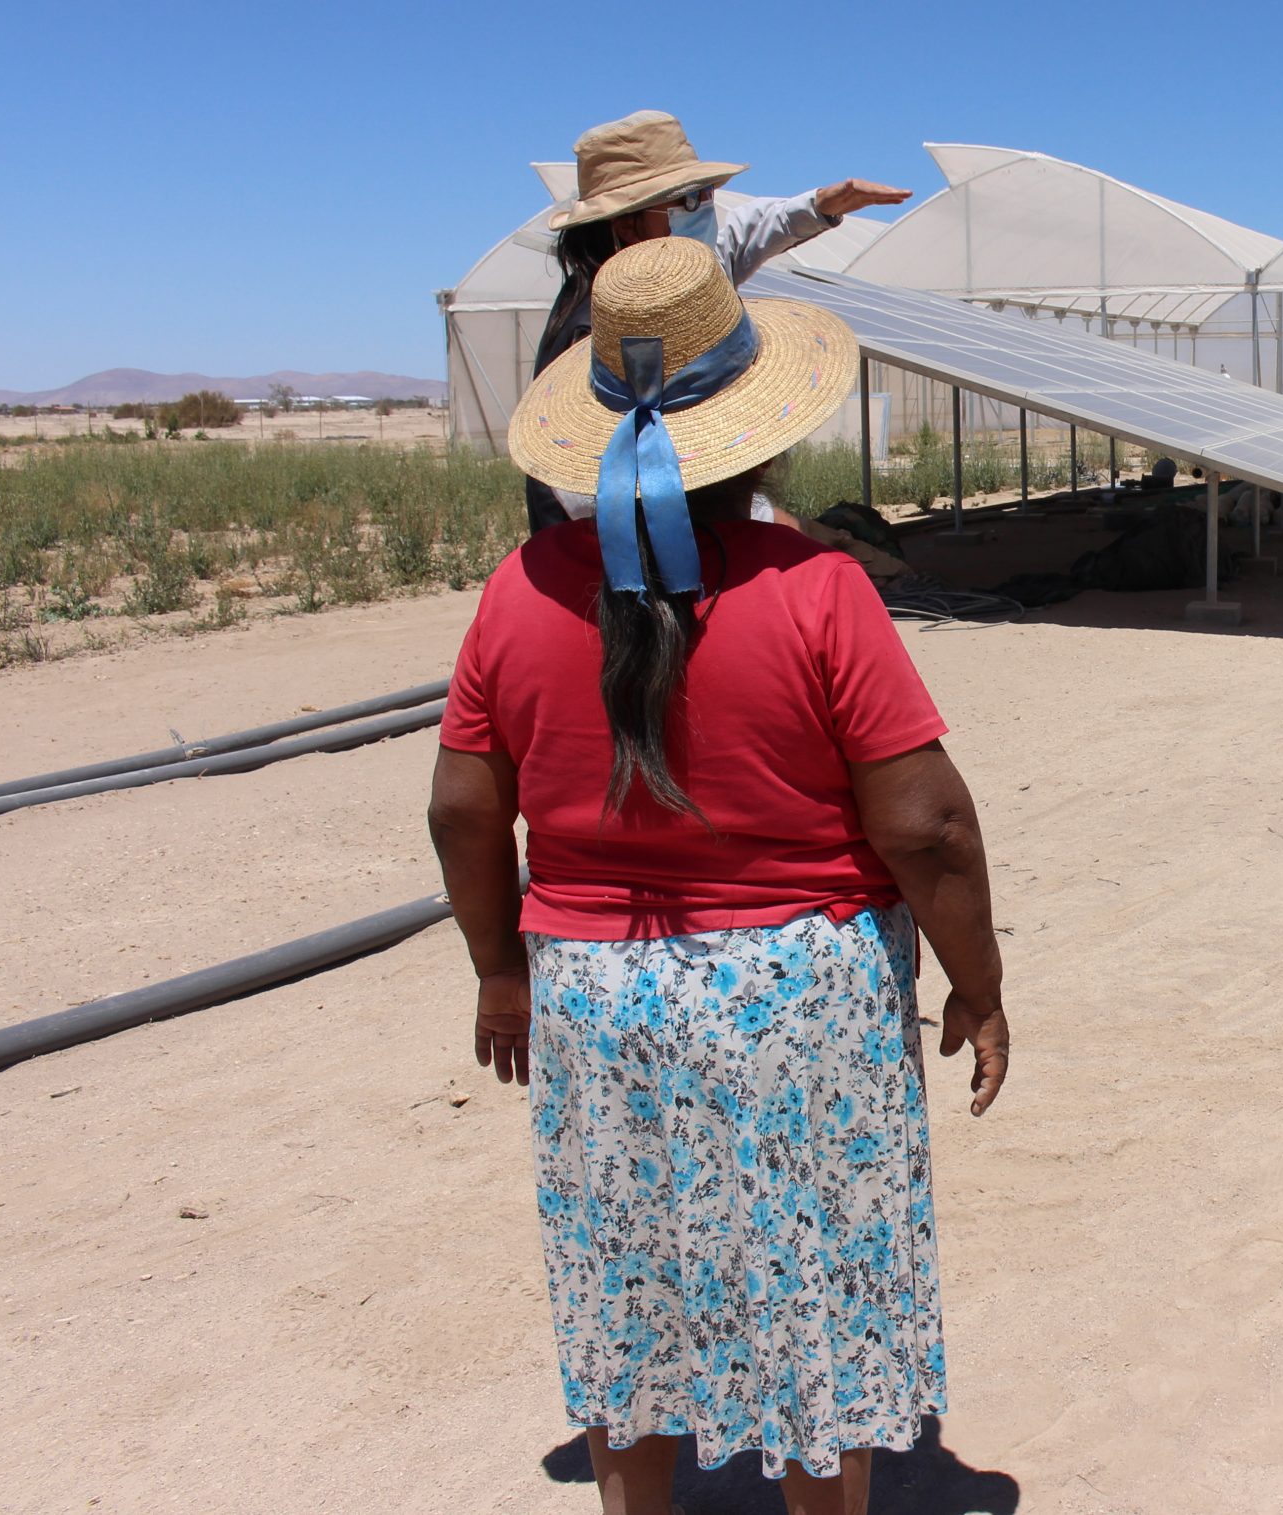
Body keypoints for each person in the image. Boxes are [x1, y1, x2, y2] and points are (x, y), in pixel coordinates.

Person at [430, 235, 1011, 1513]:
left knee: (630, 1288)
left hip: (594, 999)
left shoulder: (519, 591)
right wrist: (977, 983)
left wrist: (499, 971)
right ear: (760, 436)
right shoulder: (817, 588)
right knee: (815, 1295)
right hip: (799, 1004)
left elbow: (464, 809)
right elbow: (927, 827)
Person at [525, 109, 909, 534]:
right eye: (689, 201)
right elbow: (607, 491)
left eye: (706, 194)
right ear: (629, 227)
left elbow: (742, 237)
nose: (705, 211)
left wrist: (819, 205)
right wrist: (772, 524)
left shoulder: (673, 285)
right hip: (631, 554)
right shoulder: (602, 329)